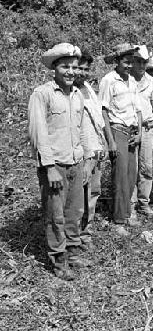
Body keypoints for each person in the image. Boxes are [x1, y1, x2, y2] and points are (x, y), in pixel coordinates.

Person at [28, 43, 92, 280]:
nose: (71, 71)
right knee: (55, 213)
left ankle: (73, 250)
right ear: (54, 68)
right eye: (65, 66)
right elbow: (39, 134)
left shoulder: (77, 94)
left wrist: (86, 159)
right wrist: (50, 167)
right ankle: (59, 258)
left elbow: (82, 129)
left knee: (74, 210)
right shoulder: (42, 94)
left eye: (74, 67)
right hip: (55, 166)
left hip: (75, 161)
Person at [100, 43, 142, 228]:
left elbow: (138, 110)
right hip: (117, 130)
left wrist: (140, 132)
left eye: (132, 62)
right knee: (120, 176)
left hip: (132, 131)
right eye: (126, 62)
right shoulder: (109, 80)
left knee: (131, 175)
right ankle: (118, 219)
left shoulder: (132, 81)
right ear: (117, 61)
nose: (129, 66)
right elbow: (103, 111)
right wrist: (110, 141)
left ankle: (127, 213)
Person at [74, 50, 106, 250]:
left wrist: (103, 144)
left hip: (96, 148)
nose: (82, 73)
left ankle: (86, 232)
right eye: (79, 68)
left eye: (86, 69)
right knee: (80, 195)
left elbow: (98, 121)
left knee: (93, 192)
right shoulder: (71, 92)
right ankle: (76, 235)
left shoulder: (88, 88)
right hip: (82, 152)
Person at [130, 45, 153, 217]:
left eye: (144, 62)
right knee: (132, 168)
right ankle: (130, 205)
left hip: (148, 128)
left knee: (147, 167)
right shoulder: (126, 79)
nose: (141, 65)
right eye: (138, 62)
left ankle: (144, 203)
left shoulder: (152, 81)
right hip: (131, 128)